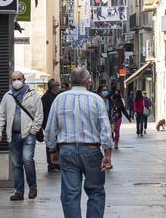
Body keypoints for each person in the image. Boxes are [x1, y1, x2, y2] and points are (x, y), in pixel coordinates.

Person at [45, 68, 114, 218]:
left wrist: (52, 150)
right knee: (96, 191)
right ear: (87, 81)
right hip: (91, 150)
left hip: (67, 150)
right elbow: (106, 129)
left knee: (70, 193)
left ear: (71, 81)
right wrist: (107, 153)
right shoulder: (96, 99)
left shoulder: (59, 99)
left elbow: (50, 129)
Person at [0, 71, 43, 201]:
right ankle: (19, 192)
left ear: (24, 79)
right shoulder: (7, 96)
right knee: (16, 165)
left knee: (27, 159)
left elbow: (39, 115)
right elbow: (1, 115)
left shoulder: (33, 95)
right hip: (13, 135)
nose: (16, 81)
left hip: (28, 134)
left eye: (19, 79)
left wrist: (33, 130)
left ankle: (32, 186)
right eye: (14, 79)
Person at [42, 78, 61, 173]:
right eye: (57, 85)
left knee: (58, 145)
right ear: (53, 87)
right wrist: (45, 126)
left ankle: (57, 163)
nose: (59, 87)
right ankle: (52, 164)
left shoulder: (58, 96)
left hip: (58, 125)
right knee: (50, 145)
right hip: (49, 125)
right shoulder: (46, 98)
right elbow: (43, 113)